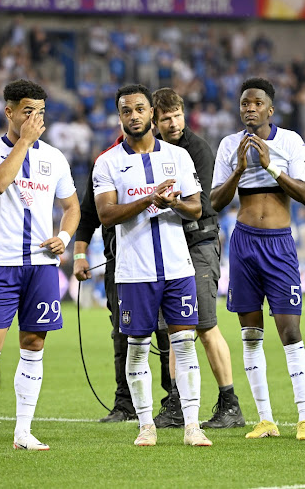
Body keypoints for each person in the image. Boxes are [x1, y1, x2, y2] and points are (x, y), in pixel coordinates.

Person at [0, 79, 80, 453]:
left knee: (34, 343)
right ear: (9, 112)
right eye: (28, 111)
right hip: (2, 264)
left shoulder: (55, 158)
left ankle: (23, 432)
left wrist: (65, 237)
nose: (35, 118)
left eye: (40, 112)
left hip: (42, 266)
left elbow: (72, 207)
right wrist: (24, 141)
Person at [93, 84, 210, 447]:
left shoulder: (178, 157)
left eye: (140, 109)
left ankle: (192, 425)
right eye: (126, 111)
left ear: (151, 114)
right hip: (133, 271)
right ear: (120, 117)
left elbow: (197, 207)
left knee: (185, 344)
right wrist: (149, 199)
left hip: (178, 267)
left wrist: (172, 203)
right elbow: (106, 215)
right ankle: (146, 425)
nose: (133, 116)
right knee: (138, 346)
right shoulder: (107, 162)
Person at [210, 77, 305, 441]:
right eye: (244, 103)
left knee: (290, 331)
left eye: (256, 103)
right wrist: (239, 169)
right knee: (251, 334)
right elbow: (214, 202)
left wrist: (271, 167)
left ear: (270, 109)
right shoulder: (228, 145)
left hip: (279, 245)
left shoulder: (290, 142)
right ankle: (266, 419)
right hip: (244, 245)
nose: (249, 108)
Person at [151, 87, 245, 430]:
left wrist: (170, 201)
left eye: (176, 115)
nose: (173, 123)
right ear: (155, 121)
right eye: (165, 118)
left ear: (183, 113)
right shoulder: (154, 151)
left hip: (200, 243)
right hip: (171, 246)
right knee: (178, 329)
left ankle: (230, 403)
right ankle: (177, 403)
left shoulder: (197, 149)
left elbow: (204, 204)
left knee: (205, 325)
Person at [73, 129, 172, 423]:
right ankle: (125, 404)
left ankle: (174, 401)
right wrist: (80, 255)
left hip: (162, 259)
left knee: (168, 332)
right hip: (119, 262)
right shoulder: (105, 162)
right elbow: (89, 213)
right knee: (123, 333)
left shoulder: (164, 157)